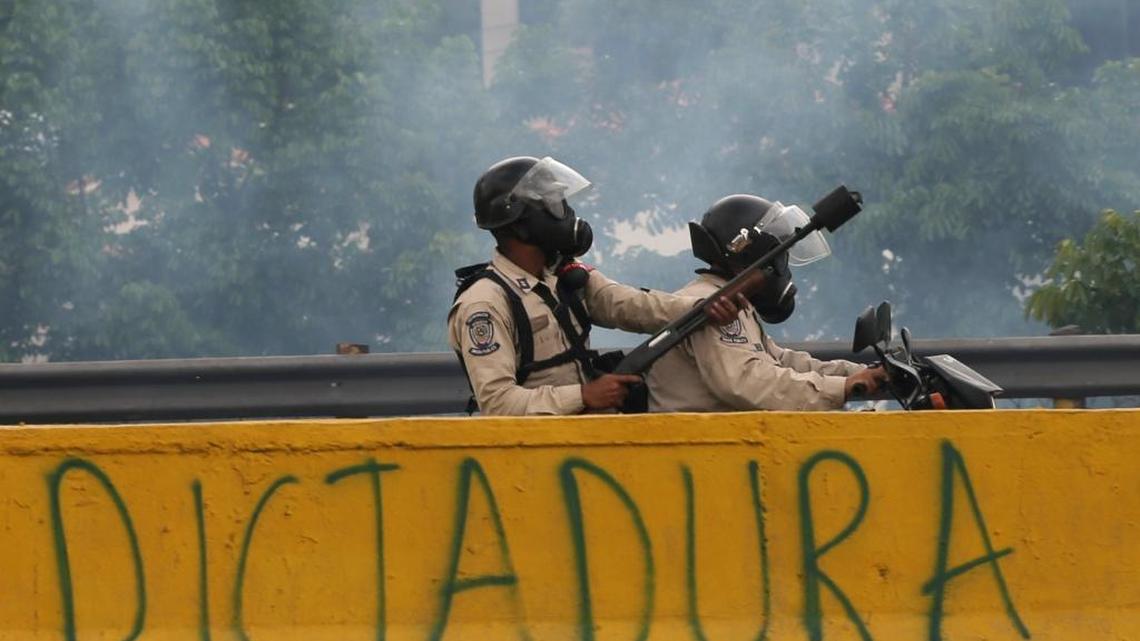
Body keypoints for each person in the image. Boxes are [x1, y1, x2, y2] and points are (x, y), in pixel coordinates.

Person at [448, 156, 739, 416]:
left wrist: (701, 308)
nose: (566, 213)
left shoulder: (562, 275)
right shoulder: (484, 303)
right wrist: (584, 395)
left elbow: (630, 305)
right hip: (534, 454)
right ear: (520, 223)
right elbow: (498, 404)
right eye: (553, 204)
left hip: (590, 437)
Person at [646, 193, 888, 412]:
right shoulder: (710, 305)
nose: (784, 266)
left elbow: (781, 362)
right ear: (754, 254)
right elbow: (745, 382)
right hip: (699, 449)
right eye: (780, 254)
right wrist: (842, 387)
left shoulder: (732, 302)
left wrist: (860, 373)